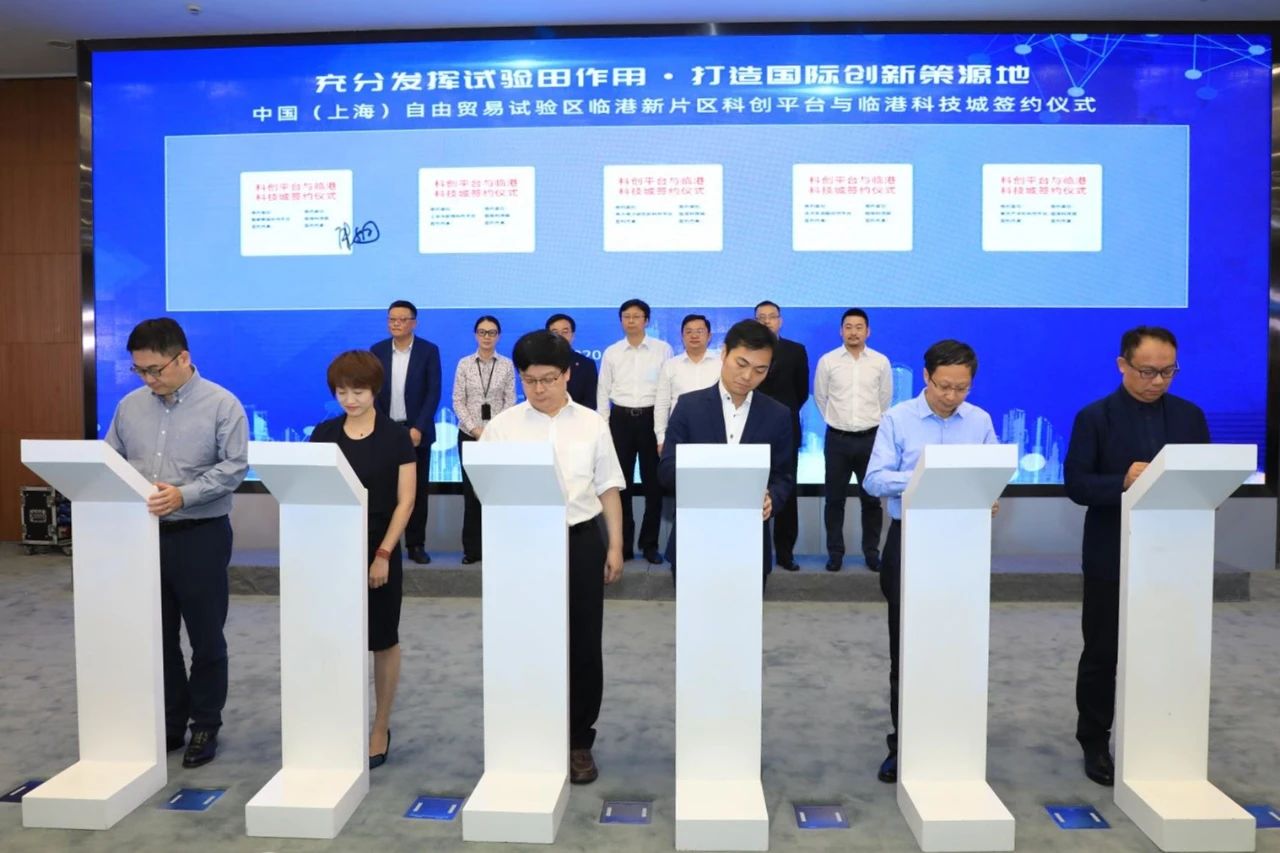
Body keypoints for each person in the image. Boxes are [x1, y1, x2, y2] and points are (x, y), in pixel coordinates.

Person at [1064, 326, 1209, 787]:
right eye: (1148, 371)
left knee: (1169, 648)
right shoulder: (1095, 417)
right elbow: (1077, 485)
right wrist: (1122, 482)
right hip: (1113, 554)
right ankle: (1094, 739)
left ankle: (1162, 735)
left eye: (1168, 371)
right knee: (1103, 651)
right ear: (1122, 365)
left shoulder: (1190, 417)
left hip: (1176, 554)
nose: (1158, 381)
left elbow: (1204, 478)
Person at [104, 317, 248, 769]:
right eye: (140, 371)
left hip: (200, 534)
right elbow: (110, 461)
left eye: (155, 370)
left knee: (206, 638)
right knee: (158, 636)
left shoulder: (222, 404)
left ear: (182, 358)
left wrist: (185, 494)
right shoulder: (129, 407)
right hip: (143, 536)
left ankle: (205, 723)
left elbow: (234, 467)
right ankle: (170, 721)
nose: (148, 380)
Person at [482, 330, 625, 784]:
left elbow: (608, 488)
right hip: (522, 544)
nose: (539, 389)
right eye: (529, 381)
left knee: (583, 644)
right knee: (524, 638)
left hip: (579, 540)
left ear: (567, 374)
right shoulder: (503, 427)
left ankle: (579, 741)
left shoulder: (592, 424)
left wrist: (615, 545)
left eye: (547, 379)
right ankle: (528, 732)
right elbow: (488, 490)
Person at [863, 339, 1000, 784]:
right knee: (908, 651)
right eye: (943, 386)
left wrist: (986, 493)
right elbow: (874, 480)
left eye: (961, 388)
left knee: (958, 647)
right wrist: (929, 476)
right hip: (911, 541)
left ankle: (954, 744)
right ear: (926, 377)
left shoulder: (979, 421)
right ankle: (903, 745)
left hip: (963, 545)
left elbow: (993, 474)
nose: (951, 396)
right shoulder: (898, 419)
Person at [309, 351, 416, 769]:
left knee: (382, 639)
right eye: (342, 392)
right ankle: (340, 720)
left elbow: (406, 501)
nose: (350, 400)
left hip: (379, 547)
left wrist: (383, 554)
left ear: (375, 390)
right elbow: (311, 491)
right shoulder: (324, 434)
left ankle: (380, 726)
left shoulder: (395, 437)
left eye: (358, 391)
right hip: (331, 549)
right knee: (335, 638)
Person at [658, 320, 795, 586]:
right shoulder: (689, 406)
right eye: (741, 364)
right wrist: (711, 483)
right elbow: (666, 470)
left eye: (760, 370)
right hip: (694, 539)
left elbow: (784, 476)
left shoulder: (778, 415)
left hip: (750, 544)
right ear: (724, 353)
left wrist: (772, 499)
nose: (747, 376)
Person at [814, 308, 893, 572]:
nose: (853, 332)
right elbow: (821, 397)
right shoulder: (828, 361)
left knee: (871, 500)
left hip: (870, 439)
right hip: (837, 439)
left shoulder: (880, 362)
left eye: (859, 327)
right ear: (841, 331)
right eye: (848, 327)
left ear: (868, 331)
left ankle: (871, 553)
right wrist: (837, 421)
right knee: (834, 500)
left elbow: (885, 399)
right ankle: (835, 553)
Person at [597, 299, 673, 563]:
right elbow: (603, 391)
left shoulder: (663, 350)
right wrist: (604, 428)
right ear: (621, 320)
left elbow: (666, 391)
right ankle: (624, 545)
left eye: (637, 316)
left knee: (654, 485)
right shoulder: (612, 352)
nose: (631, 321)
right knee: (620, 485)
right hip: (620, 419)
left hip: (651, 418)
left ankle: (649, 544)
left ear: (646, 320)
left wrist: (662, 430)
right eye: (626, 316)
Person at [372, 300, 441, 565]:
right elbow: (373, 391)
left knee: (417, 491)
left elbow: (433, 392)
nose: (396, 324)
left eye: (402, 319)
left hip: (416, 432)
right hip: (386, 431)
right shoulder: (377, 350)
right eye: (392, 319)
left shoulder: (428, 351)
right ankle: (385, 545)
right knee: (384, 490)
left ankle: (416, 544)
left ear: (414, 322)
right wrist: (384, 427)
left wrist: (418, 427)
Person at [452, 315, 516, 564]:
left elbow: (510, 401)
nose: (486, 337)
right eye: (482, 332)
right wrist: (475, 429)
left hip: (498, 438)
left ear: (498, 336)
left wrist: (493, 431)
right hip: (469, 435)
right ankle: (472, 550)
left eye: (491, 332)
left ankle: (497, 547)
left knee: (496, 494)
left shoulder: (507, 365)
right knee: (471, 493)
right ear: (475, 335)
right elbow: (458, 400)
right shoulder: (464, 364)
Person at [754, 300, 812, 571]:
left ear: (780, 321)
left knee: (786, 490)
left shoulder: (796, 351)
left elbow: (801, 392)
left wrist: (782, 415)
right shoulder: (748, 352)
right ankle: (755, 550)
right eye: (761, 317)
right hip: (753, 429)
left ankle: (785, 552)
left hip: (786, 430)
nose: (766, 321)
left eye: (771, 316)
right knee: (753, 489)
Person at [546, 312, 598, 408]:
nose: (560, 336)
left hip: (578, 415)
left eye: (565, 332)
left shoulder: (587, 365)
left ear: (572, 335)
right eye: (555, 332)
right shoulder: (539, 364)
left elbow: (591, 401)